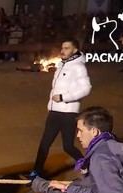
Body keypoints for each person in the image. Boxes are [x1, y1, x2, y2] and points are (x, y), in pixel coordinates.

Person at [26, 39, 91, 179]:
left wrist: (63, 97)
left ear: (74, 50)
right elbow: (55, 88)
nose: (63, 50)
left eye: (67, 48)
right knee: (44, 143)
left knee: (67, 146)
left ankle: (87, 166)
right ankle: (36, 172)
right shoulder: (61, 64)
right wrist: (51, 106)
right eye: (62, 48)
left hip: (68, 113)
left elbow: (86, 88)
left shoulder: (78, 67)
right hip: (55, 112)